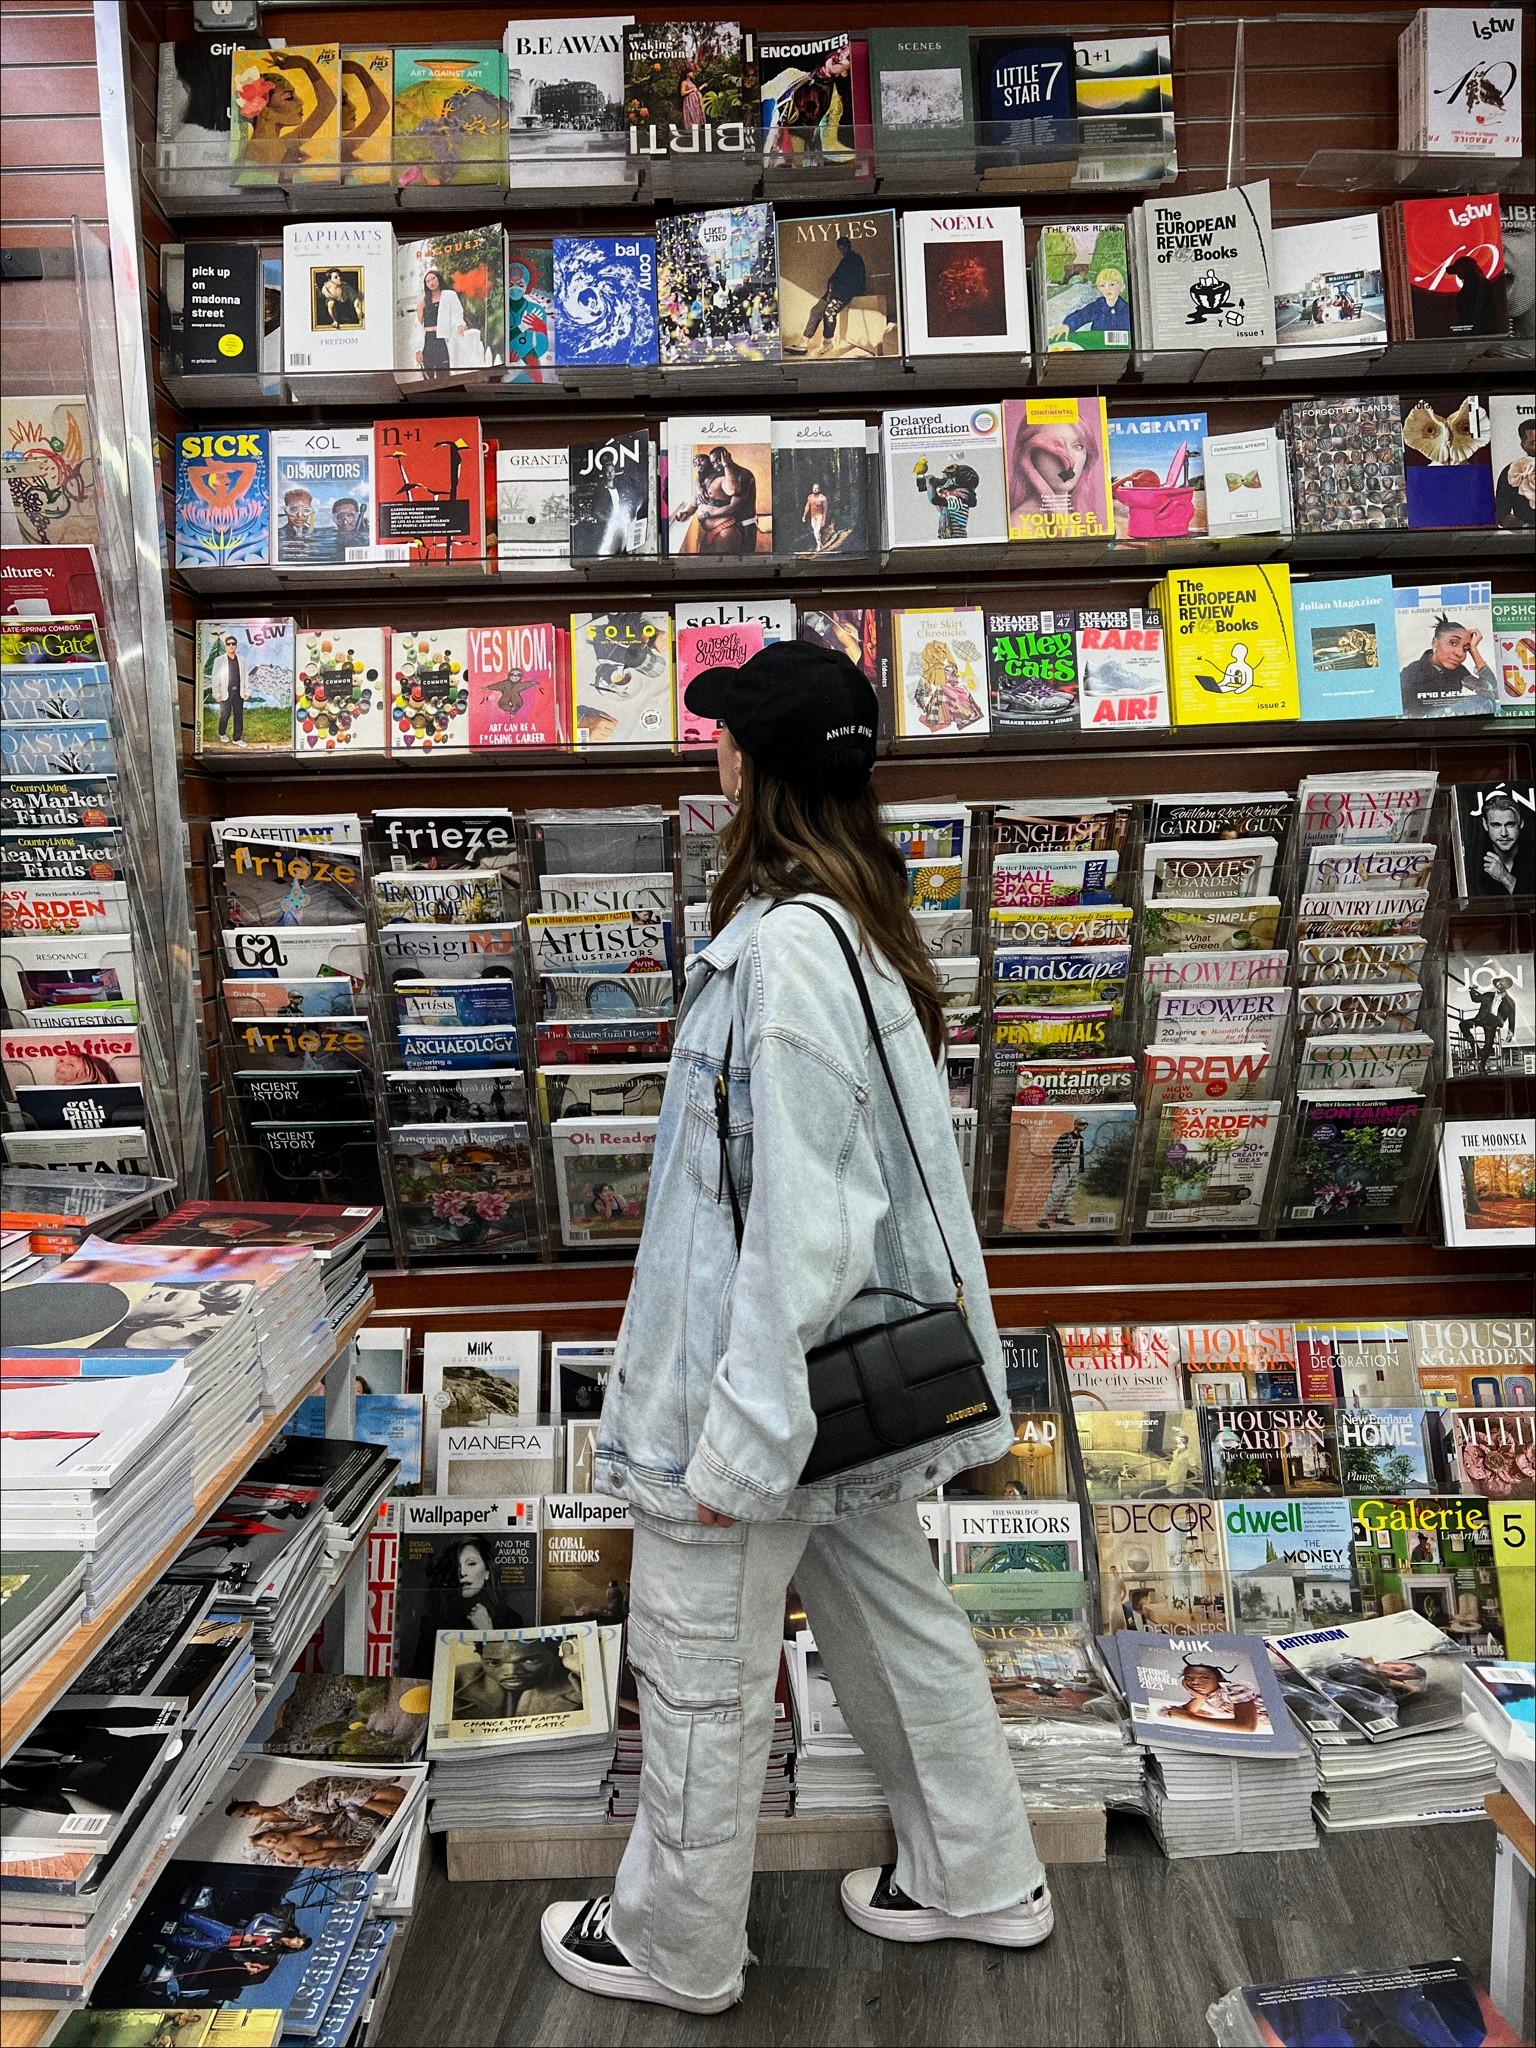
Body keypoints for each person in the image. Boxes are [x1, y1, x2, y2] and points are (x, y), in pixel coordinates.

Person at [540, 643, 1050, 2017]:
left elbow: (805, 1225)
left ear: (759, 772)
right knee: (895, 1623)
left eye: (723, 742)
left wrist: (746, 1448)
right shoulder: (857, 925)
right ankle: (982, 1872)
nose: (708, 759)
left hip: (758, 1397)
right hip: (837, 1391)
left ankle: (676, 1942)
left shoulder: (785, 952)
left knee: (699, 1668)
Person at [1398, 612, 1498, 718]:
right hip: (1424, 729)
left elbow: (1492, 694)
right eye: (1453, 643)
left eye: (1465, 649)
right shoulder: (1411, 673)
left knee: (1484, 702)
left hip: (1454, 727)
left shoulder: (1458, 670)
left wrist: (1474, 650)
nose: (1460, 653)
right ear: (1434, 642)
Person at [785, 234, 867, 356]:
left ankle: (828, 342)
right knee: (816, 310)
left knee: (829, 311)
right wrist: (830, 289)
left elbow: (858, 279)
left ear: (848, 246)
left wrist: (854, 293)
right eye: (840, 247)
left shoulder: (855, 258)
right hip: (833, 292)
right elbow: (835, 277)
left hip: (844, 293)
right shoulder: (844, 260)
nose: (842, 249)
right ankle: (804, 342)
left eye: (844, 246)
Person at [1461, 788, 1536, 898]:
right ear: (1485, 825)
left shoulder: (1532, 854)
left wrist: (1504, 877)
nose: (1504, 833)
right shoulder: (1472, 861)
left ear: (1521, 824)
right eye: (1496, 825)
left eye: (1510, 824)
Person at [1493, 414, 1536, 528]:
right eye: (1534, 442)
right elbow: (1501, 514)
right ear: (1523, 445)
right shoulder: (1511, 472)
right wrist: (1525, 527)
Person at [209, 631, 245, 746]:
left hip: (238, 692)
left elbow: (245, 677)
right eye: (228, 644)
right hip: (225, 692)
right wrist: (216, 694)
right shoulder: (219, 660)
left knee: (238, 715)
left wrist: (246, 691)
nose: (231, 646)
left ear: (236, 645)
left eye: (233, 644)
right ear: (225, 646)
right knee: (225, 714)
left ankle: (237, 738)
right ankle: (222, 733)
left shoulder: (242, 660)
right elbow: (215, 678)